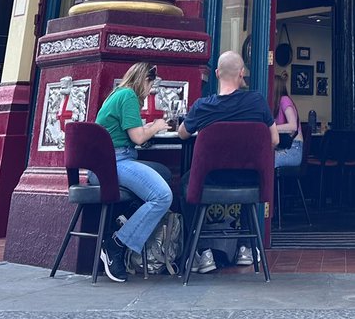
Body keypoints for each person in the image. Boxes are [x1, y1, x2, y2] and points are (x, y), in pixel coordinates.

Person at [178, 51, 279, 270]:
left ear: (216, 73)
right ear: (242, 73)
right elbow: (274, 139)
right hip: (250, 182)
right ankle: (246, 248)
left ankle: (202, 253)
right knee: (246, 170)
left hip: (212, 181)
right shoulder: (257, 101)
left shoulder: (203, 106)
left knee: (184, 185)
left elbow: (182, 134)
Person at [94, 62, 173, 283]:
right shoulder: (129, 96)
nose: (151, 90)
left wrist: (149, 127)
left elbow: (132, 133)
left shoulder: (117, 95)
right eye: (151, 84)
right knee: (163, 195)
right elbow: (138, 138)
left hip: (106, 163)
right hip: (115, 162)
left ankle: (125, 219)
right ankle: (116, 244)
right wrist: (156, 126)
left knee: (164, 173)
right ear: (143, 80)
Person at [272, 72, 303, 168]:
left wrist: (272, 127)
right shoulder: (276, 104)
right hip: (284, 147)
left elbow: (293, 126)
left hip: (294, 149)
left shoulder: (284, 100)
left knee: (269, 162)